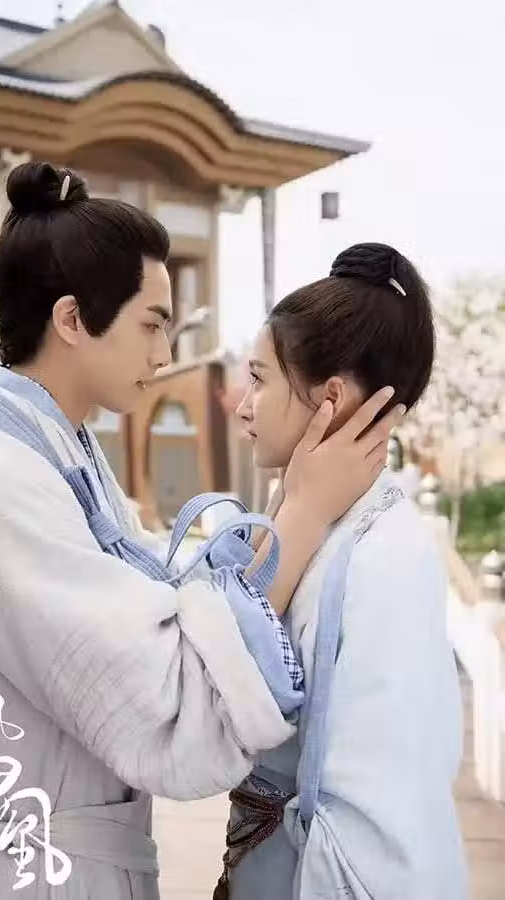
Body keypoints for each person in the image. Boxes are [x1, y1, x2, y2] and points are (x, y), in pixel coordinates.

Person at [0, 164, 402, 900]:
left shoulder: (61, 460)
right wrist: (302, 513)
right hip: (39, 874)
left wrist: (292, 503)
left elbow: (170, 606)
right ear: (71, 320)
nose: (166, 352)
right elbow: (164, 702)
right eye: (152, 322)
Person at [217, 243, 468, 900]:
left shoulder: (383, 553)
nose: (243, 405)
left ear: (329, 397)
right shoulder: (311, 520)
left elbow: (380, 819)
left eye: (260, 379)